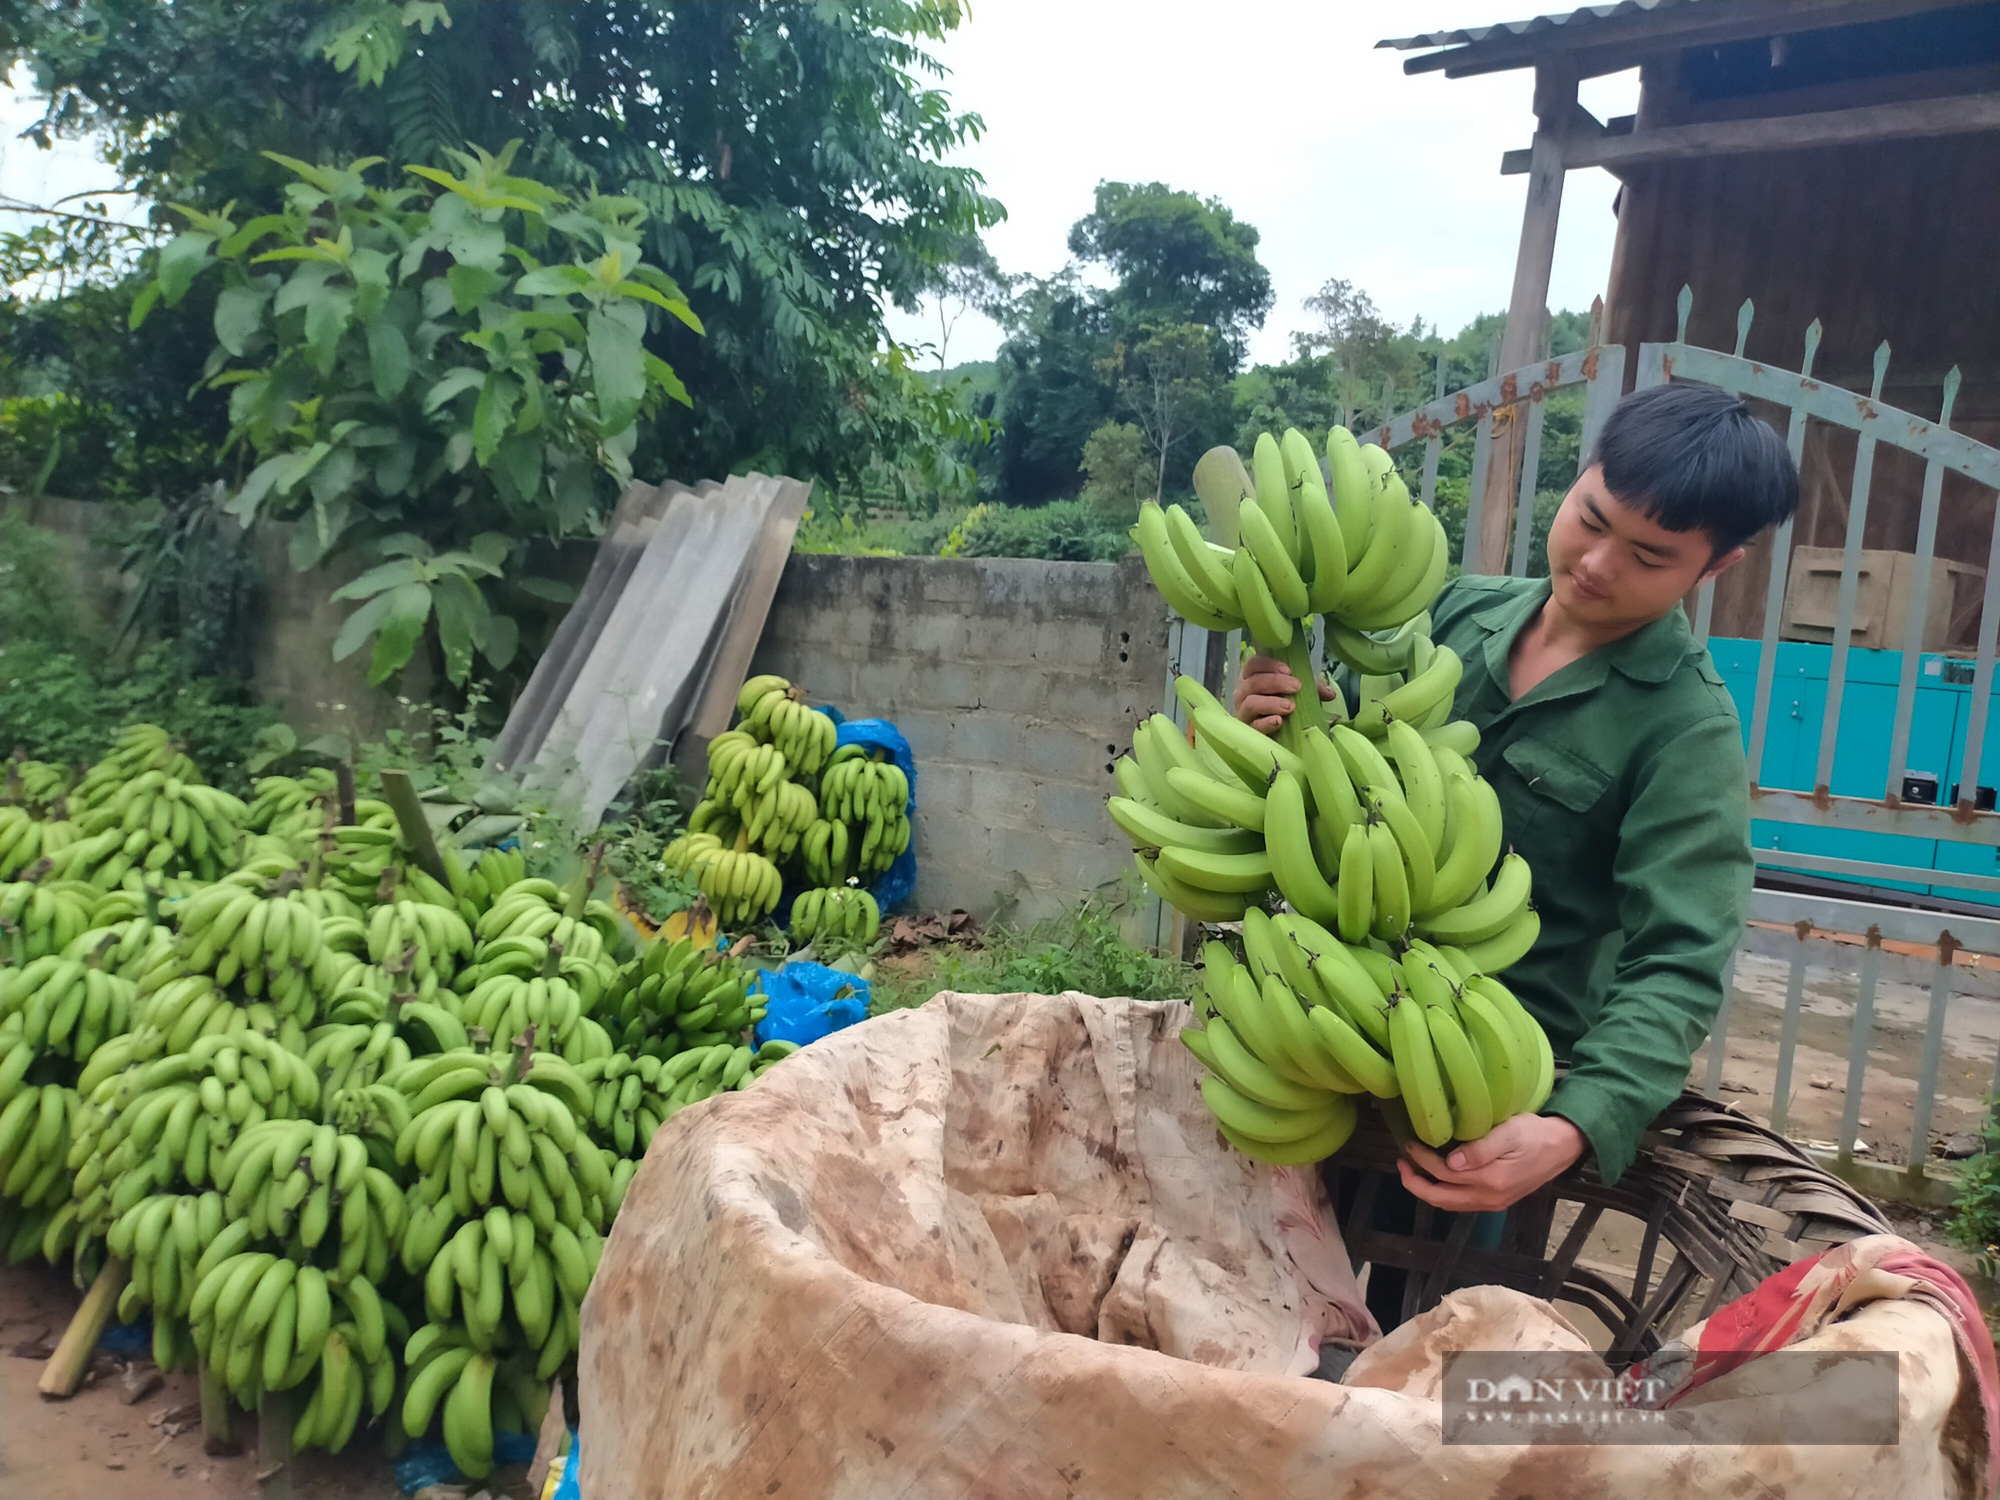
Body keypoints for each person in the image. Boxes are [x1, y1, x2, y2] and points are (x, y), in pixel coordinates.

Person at [1233, 381, 1799, 1326]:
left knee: (1447, 1363)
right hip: (1322, 1023)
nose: (1597, 563)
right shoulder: (1453, 615)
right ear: (1578, 480)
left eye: (1650, 555)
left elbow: (1682, 959)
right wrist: (1279, 725)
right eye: (1592, 518)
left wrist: (1576, 1125)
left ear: (1717, 565)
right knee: (1279, 1317)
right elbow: (1342, 776)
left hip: (1481, 1089)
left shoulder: (1684, 729)